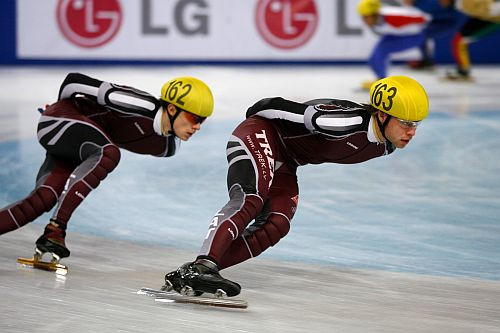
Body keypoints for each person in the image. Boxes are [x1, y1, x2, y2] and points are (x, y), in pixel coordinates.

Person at [163, 75, 429, 297]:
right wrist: (252, 121)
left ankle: (200, 272)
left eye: (416, 125)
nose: (411, 132)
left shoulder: (387, 146)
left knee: (277, 223)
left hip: (287, 161)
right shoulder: (343, 122)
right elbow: (273, 105)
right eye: (406, 123)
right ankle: (203, 266)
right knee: (251, 199)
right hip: (261, 133)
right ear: (382, 115)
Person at [0, 73, 213, 263]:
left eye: (202, 120)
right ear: (173, 109)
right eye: (194, 118)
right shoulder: (138, 104)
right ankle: (56, 228)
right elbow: (73, 82)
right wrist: (58, 109)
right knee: (110, 152)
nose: (198, 126)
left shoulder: (167, 146)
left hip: (81, 147)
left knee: (43, 199)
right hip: (60, 121)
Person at [358, 0, 431, 90]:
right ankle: (380, 80)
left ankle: (382, 82)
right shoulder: (376, 21)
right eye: (363, 17)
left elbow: (425, 18)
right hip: (398, 35)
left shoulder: (393, 17)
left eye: (366, 17)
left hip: (416, 36)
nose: (364, 20)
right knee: (373, 57)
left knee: (382, 50)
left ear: (375, 14)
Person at [401, 0, 467, 70]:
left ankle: (427, 61)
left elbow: (446, 12)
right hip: (439, 21)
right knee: (421, 35)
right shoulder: (418, 5)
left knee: (422, 35)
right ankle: (426, 61)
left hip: (450, 22)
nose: (405, 2)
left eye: (406, 1)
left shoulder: (425, 3)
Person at [446, 0, 500, 80]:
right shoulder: (461, 4)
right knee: (458, 40)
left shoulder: (463, 3)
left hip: (492, 17)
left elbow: (491, 9)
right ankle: (463, 70)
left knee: (459, 40)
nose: (440, 2)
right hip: (486, 16)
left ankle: (463, 71)